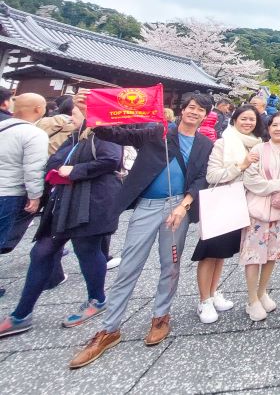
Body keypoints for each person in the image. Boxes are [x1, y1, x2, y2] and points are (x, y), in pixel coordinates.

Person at [70, 91, 215, 368]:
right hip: (147, 205)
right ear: (182, 109)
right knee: (129, 266)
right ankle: (109, 328)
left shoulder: (204, 144)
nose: (194, 112)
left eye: (200, 110)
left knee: (171, 265)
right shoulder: (156, 132)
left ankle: (161, 316)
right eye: (191, 107)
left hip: (177, 208)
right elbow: (116, 134)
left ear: (206, 116)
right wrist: (93, 112)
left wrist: (183, 206)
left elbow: (200, 179)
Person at [0, 93, 122, 338]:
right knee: (41, 252)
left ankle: (97, 299)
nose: (70, 117)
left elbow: (111, 160)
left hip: (91, 201)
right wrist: (59, 169)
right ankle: (21, 313)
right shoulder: (76, 136)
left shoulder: (105, 133)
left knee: (87, 250)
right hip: (64, 200)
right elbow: (54, 160)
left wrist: (75, 170)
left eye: (74, 113)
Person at [192, 105, 264, 324]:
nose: (248, 123)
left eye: (252, 119)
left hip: (242, 203)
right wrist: (241, 166)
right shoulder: (223, 143)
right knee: (209, 252)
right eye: (244, 118)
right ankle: (204, 300)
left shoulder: (258, 144)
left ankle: (214, 292)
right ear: (234, 120)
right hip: (222, 202)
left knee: (221, 253)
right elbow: (212, 176)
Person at [241, 112, 280, 321]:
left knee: (272, 254)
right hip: (257, 210)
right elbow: (250, 179)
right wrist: (275, 185)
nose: (278, 129)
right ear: (268, 128)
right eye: (274, 125)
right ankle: (252, 300)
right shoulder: (259, 149)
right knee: (253, 255)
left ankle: (262, 291)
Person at [0, 94, 49, 262]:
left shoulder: (3, 126)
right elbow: (33, 168)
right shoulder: (34, 134)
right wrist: (35, 196)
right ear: (38, 109)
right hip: (10, 192)